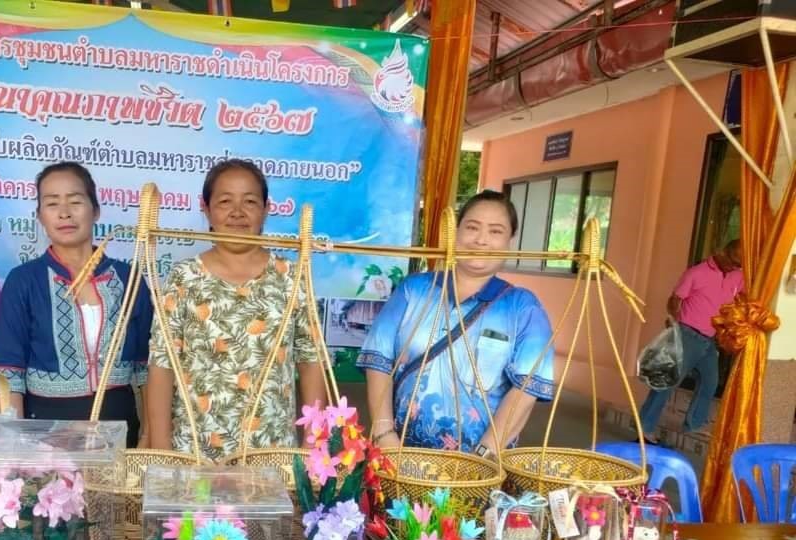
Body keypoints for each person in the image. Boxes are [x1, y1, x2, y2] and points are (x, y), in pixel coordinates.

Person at [145, 159, 326, 461]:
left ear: (267, 209)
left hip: (271, 453)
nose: (237, 212)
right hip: (194, 454)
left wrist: (314, 444)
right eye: (225, 201)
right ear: (206, 208)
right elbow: (162, 365)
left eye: (250, 202)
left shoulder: (292, 277)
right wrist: (162, 451)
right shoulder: (184, 278)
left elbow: (311, 362)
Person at [359, 189, 555, 457]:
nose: (481, 240)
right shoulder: (414, 290)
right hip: (399, 454)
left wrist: (483, 456)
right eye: (472, 227)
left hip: (479, 463)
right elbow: (377, 359)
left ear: (510, 241)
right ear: (456, 232)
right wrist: (384, 435)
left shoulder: (523, 307)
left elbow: (525, 391)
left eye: (495, 231)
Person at [0, 162, 152, 445]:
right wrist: (16, 447)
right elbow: (8, 372)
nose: (64, 212)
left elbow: (147, 368)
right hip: (46, 432)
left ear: (95, 210)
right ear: (40, 215)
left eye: (75, 201)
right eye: (52, 203)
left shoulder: (128, 278)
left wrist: (149, 435)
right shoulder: (24, 281)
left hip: (119, 427)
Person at [639, 239, 743, 443]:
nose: (735, 267)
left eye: (739, 264)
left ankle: (694, 424)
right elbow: (674, 299)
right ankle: (645, 427)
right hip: (688, 335)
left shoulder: (738, 275)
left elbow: (746, 295)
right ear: (723, 252)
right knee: (667, 381)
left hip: (710, 339)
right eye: (733, 261)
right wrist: (674, 321)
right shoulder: (697, 273)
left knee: (710, 382)